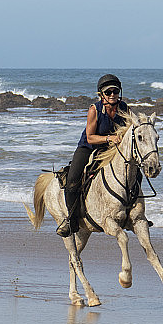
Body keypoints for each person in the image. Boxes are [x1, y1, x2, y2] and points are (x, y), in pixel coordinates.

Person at [57, 73, 130, 237]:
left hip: (111, 148)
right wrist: (109, 138)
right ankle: (71, 221)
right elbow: (90, 137)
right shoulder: (94, 110)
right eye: (108, 92)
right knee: (72, 181)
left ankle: (134, 212)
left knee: (133, 170)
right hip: (88, 147)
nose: (112, 95)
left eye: (115, 91)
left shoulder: (124, 108)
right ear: (101, 94)